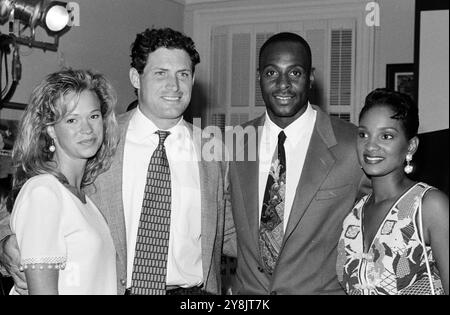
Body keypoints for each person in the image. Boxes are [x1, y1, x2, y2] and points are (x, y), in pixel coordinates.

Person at [0, 27, 235, 295]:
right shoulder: (99, 138)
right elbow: (32, 200)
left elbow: (229, 231)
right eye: (161, 74)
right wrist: (5, 241)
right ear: (136, 77)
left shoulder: (214, 151)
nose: (174, 86)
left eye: (183, 74)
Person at [226, 32, 367, 294]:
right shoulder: (233, 143)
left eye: (294, 73)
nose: (282, 84)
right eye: (271, 73)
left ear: (311, 77)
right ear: (259, 77)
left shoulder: (352, 144)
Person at [2, 69, 119, 294]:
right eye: (72, 119)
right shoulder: (43, 192)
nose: (87, 129)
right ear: (50, 129)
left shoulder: (83, 200)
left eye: (93, 116)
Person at [336, 88, 449, 295]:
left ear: (411, 146)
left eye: (386, 136)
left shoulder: (429, 206)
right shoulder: (353, 215)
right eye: (363, 134)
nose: (370, 145)